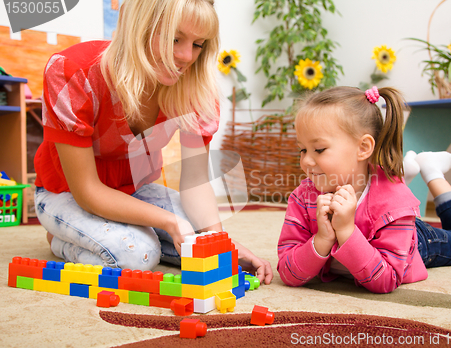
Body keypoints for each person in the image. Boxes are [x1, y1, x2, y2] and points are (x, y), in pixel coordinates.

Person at [34, 0, 272, 285]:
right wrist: (169, 222)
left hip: (136, 191)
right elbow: (86, 190)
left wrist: (220, 247)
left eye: (198, 44)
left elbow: (195, 182)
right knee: (139, 255)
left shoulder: (196, 88)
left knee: (199, 240)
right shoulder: (74, 72)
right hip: (67, 194)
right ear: (139, 27)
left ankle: (99, 233)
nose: (186, 56)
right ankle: (60, 238)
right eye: (174, 39)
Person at [277, 86, 451, 293]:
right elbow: (288, 273)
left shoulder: (394, 204)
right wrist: (321, 240)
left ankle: (432, 171)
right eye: (302, 149)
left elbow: (386, 280)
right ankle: (400, 173)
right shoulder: (303, 197)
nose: (306, 160)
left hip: (415, 239)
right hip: (385, 218)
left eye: (319, 149)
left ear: (363, 148)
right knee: (389, 192)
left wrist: (346, 231)